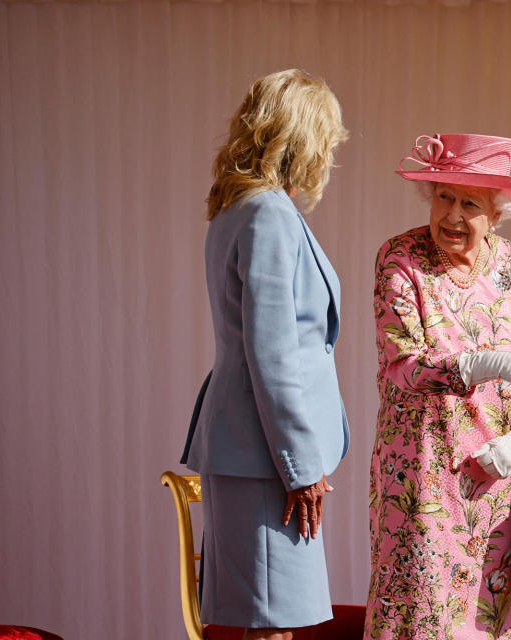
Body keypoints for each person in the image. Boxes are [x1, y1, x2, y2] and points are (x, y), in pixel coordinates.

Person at [364, 133, 511, 640]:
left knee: (489, 619)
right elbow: (403, 365)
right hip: (423, 479)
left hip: (498, 481)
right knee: (422, 618)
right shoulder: (400, 258)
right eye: (444, 197)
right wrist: (488, 363)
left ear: (498, 212)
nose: (453, 215)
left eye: (470, 203)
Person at [182, 69, 350, 640]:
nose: (329, 151)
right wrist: (300, 469)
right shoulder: (269, 214)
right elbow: (273, 354)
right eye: (326, 137)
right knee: (274, 626)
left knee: (267, 624)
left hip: (255, 452)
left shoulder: (236, 209)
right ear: (303, 136)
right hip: (266, 459)